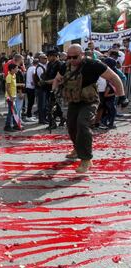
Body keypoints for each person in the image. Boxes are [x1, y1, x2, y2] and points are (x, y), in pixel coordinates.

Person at [52, 44, 125, 173]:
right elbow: (57, 79)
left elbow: (114, 77)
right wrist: (54, 92)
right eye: (69, 56)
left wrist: (122, 96)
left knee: (83, 124)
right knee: (71, 126)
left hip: (89, 101)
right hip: (74, 101)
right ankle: (77, 148)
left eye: (75, 57)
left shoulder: (93, 64)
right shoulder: (66, 65)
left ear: (82, 54)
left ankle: (86, 159)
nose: (71, 59)